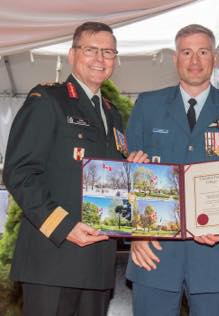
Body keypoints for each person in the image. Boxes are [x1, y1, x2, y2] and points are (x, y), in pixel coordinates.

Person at [3, 21, 147, 316]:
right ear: (72, 55)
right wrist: (64, 226)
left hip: (97, 263)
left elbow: (103, 181)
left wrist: (129, 172)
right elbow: (19, 171)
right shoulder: (47, 100)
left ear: (115, 61)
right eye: (91, 50)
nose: (100, 59)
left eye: (108, 52)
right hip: (52, 260)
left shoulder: (112, 114)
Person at [125, 24, 219, 315]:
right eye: (187, 52)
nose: (195, 61)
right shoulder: (147, 106)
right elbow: (130, 175)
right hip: (154, 251)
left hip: (217, 253)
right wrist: (137, 234)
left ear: (215, 58)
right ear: (175, 59)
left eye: (203, 52)